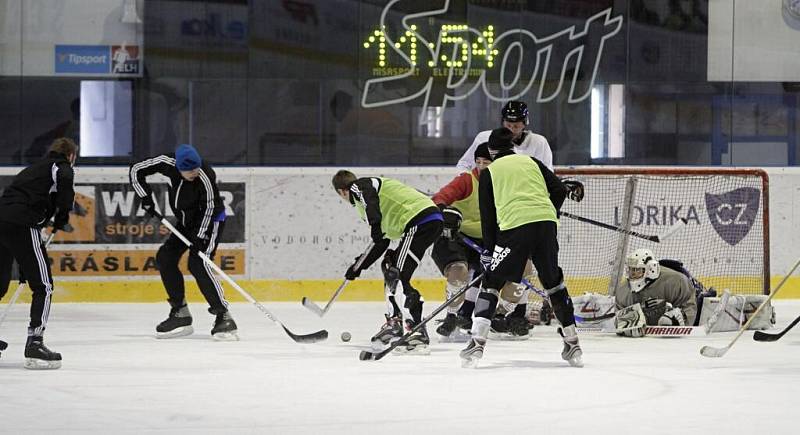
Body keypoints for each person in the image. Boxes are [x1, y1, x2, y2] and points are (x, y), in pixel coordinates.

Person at [460, 127, 583, 368]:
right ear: (513, 146)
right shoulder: (532, 161)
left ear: (492, 151)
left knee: (492, 282)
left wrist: (489, 251)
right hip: (546, 224)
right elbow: (559, 190)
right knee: (553, 283)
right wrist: (550, 212)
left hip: (514, 227)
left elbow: (488, 216)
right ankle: (573, 342)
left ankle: (477, 342)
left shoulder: (490, 172)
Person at [129, 144, 237, 340]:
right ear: (178, 167)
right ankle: (180, 313)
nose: (195, 172)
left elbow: (210, 207)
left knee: (197, 264)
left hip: (210, 222)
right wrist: (145, 198)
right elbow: (136, 169)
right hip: (185, 222)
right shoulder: (167, 163)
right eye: (190, 170)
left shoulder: (204, 175)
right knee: (165, 258)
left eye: (197, 168)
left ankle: (223, 316)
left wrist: (199, 235)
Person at [332, 170, 443, 353]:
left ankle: (416, 330)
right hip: (423, 223)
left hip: (420, 220)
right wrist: (359, 266)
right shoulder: (365, 206)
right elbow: (382, 241)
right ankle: (396, 322)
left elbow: (367, 198)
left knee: (396, 275)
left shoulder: (359, 186)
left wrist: (375, 224)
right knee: (390, 267)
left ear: (342, 191)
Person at [431, 143, 533, 340]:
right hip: (457, 238)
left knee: (524, 267)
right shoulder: (467, 181)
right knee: (458, 271)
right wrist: (445, 212)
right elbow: (438, 199)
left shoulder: (506, 184)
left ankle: (500, 314)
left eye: (487, 162)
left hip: (488, 241)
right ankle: (452, 315)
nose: (481, 166)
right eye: (478, 162)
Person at [0, 137, 77, 369]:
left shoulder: (33, 169)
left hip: (1, 220)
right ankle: (35, 343)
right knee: (44, 286)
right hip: (23, 224)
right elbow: (64, 180)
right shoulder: (60, 167)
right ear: (71, 156)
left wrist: (25, 265)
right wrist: (63, 215)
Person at [612, 248, 698, 330]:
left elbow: (689, 307)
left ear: (651, 269)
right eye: (631, 270)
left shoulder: (676, 281)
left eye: (637, 270)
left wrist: (679, 318)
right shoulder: (623, 290)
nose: (633, 275)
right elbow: (619, 319)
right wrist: (625, 323)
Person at [456, 101, 553, 172]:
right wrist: (469, 184)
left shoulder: (539, 142)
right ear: (502, 122)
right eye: (508, 125)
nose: (511, 130)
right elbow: (463, 165)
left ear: (524, 124)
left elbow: (548, 172)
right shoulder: (484, 138)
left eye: (516, 126)